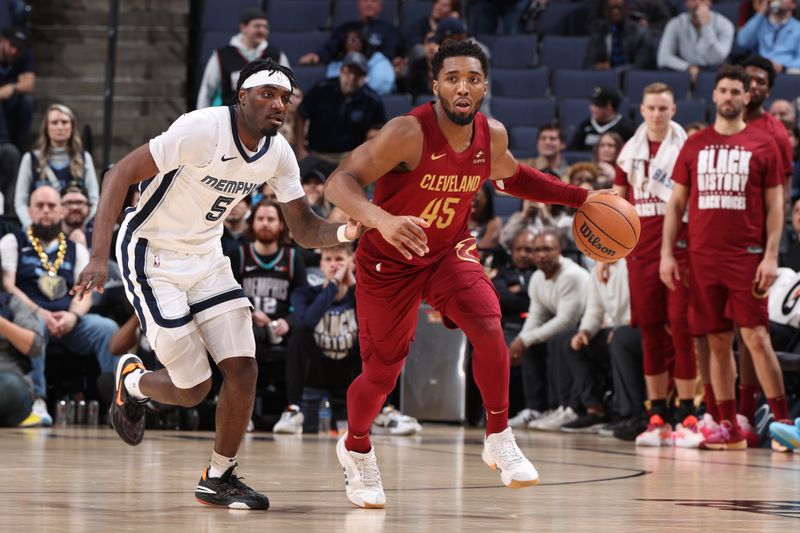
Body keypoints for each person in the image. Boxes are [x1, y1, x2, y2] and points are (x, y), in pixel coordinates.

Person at [71, 59, 362, 510]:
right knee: (194, 388)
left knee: (243, 369)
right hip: (152, 253)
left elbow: (303, 227)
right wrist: (97, 254)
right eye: (267, 93)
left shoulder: (279, 153)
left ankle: (219, 475)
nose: (278, 104)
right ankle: (134, 383)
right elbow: (118, 174)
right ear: (241, 97)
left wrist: (347, 232)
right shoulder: (201, 128)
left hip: (207, 256)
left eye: (284, 98)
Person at [325, 41, 601, 508]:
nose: (463, 86)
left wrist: (581, 198)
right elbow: (339, 181)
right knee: (381, 376)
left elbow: (514, 178)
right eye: (452, 77)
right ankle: (355, 448)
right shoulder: (407, 132)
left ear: (484, 86)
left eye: (472, 78)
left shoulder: (490, 135)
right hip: (389, 259)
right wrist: (381, 219)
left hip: (447, 250)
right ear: (435, 85)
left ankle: (498, 435)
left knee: (489, 322)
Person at [661, 64, 789, 450]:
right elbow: (676, 203)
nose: (731, 97)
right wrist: (668, 253)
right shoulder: (695, 144)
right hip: (701, 257)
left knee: (755, 336)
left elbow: (776, 206)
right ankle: (727, 425)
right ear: (714, 96)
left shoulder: (762, 143)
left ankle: (784, 423)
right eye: (725, 91)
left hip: (746, 256)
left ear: (747, 97)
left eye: (738, 91)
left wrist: (770, 255)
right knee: (715, 342)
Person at [613, 82, 700, 447]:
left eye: (664, 108)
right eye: (651, 108)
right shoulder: (628, 152)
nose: (657, 114)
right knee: (650, 333)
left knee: (680, 330)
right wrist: (609, 254)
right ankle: (658, 416)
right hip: (640, 254)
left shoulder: (686, 149)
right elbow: (616, 209)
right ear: (642, 110)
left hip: (680, 251)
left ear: (673, 110)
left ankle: (687, 416)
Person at [1, 186, 119, 425]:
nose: (46, 211)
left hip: (69, 319)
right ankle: (37, 400)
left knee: (107, 329)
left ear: (61, 211)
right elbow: (8, 285)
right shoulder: (13, 240)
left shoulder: (75, 248)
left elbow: (85, 290)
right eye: (40, 206)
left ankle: (117, 404)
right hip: (30, 315)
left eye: (52, 206)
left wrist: (72, 317)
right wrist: (39, 312)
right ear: (30, 211)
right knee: (35, 328)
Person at [273, 243, 359, 434]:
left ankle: (384, 412)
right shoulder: (304, 293)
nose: (334, 266)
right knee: (299, 332)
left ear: (352, 264)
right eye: (328, 259)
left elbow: (372, 317)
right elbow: (307, 322)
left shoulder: (360, 296)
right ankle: (294, 408)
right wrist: (334, 285)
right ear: (320, 265)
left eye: (340, 260)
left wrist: (352, 283)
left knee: (378, 335)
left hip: (349, 369)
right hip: (317, 368)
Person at [509, 230, 589, 432]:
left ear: (559, 251)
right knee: (530, 346)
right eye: (537, 250)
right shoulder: (537, 277)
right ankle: (536, 408)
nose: (541, 255)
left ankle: (564, 407)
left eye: (547, 249)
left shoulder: (572, 275)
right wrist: (521, 340)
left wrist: (525, 339)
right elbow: (536, 314)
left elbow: (566, 320)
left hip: (586, 328)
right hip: (567, 331)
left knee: (557, 341)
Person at [294, 52, 386, 178]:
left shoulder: (372, 99)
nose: (352, 78)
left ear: (365, 77)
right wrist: (300, 149)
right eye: (349, 72)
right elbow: (301, 114)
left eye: (358, 74)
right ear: (341, 71)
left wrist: (363, 152)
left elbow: (377, 129)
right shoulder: (321, 88)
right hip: (316, 154)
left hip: (349, 158)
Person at [14, 104, 100, 228]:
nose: (60, 127)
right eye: (54, 122)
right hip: (40, 229)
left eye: (64, 122)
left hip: (74, 229)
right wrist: (31, 227)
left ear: (72, 127)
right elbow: (20, 202)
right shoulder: (31, 159)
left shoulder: (84, 158)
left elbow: (94, 200)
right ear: (46, 128)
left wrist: (80, 227)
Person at [196, 8, 290, 109]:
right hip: (230, 117)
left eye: (265, 27)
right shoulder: (221, 56)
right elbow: (207, 92)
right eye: (257, 26)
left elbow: (288, 89)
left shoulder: (277, 56)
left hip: (265, 118)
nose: (262, 30)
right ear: (243, 27)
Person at [299, 0, 402, 67]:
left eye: (373, 1)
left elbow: (390, 54)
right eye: (365, 1)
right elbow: (332, 47)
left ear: (380, 7)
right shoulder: (346, 28)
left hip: (375, 68)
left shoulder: (389, 30)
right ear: (359, 5)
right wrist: (318, 55)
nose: (369, 4)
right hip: (346, 67)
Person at [657, 0, 735, 83]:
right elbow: (663, 59)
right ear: (686, 2)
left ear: (710, 1)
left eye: (702, 0)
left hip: (714, 72)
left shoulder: (725, 25)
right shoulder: (675, 23)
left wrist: (706, 26)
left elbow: (716, 58)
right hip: (685, 72)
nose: (697, 2)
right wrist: (687, 67)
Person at [583, 0, 656, 71]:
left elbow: (641, 66)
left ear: (627, 9)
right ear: (605, 11)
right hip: (605, 79)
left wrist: (613, 71)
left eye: (619, 7)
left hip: (634, 80)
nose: (615, 11)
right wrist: (598, 68)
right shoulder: (598, 33)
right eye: (611, 8)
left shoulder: (641, 33)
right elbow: (588, 65)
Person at [324, 27, 395, 96]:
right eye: (348, 41)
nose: (352, 44)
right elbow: (331, 86)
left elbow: (382, 88)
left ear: (364, 42)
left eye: (356, 40)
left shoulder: (379, 62)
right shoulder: (336, 64)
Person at [736, 0, 800, 74]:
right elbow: (743, 42)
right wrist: (761, 12)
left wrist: (783, 67)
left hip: (787, 71)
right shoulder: (760, 23)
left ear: (793, 4)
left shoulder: (798, 28)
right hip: (760, 68)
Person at [568, 86, 635, 152]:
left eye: (596, 105)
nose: (592, 108)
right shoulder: (586, 125)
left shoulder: (625, 128)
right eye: (592, 104)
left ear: (609, 107)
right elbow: (573, 151)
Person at [0, 27, 34, 152]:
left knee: (27, 101)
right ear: (3, 41)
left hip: (10, 100)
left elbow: (29, 84)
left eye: (19, 48)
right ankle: (4, 146)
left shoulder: (25, 55)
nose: (15, 51)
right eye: (12, 45)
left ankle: (18, 149)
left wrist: (12, 87)